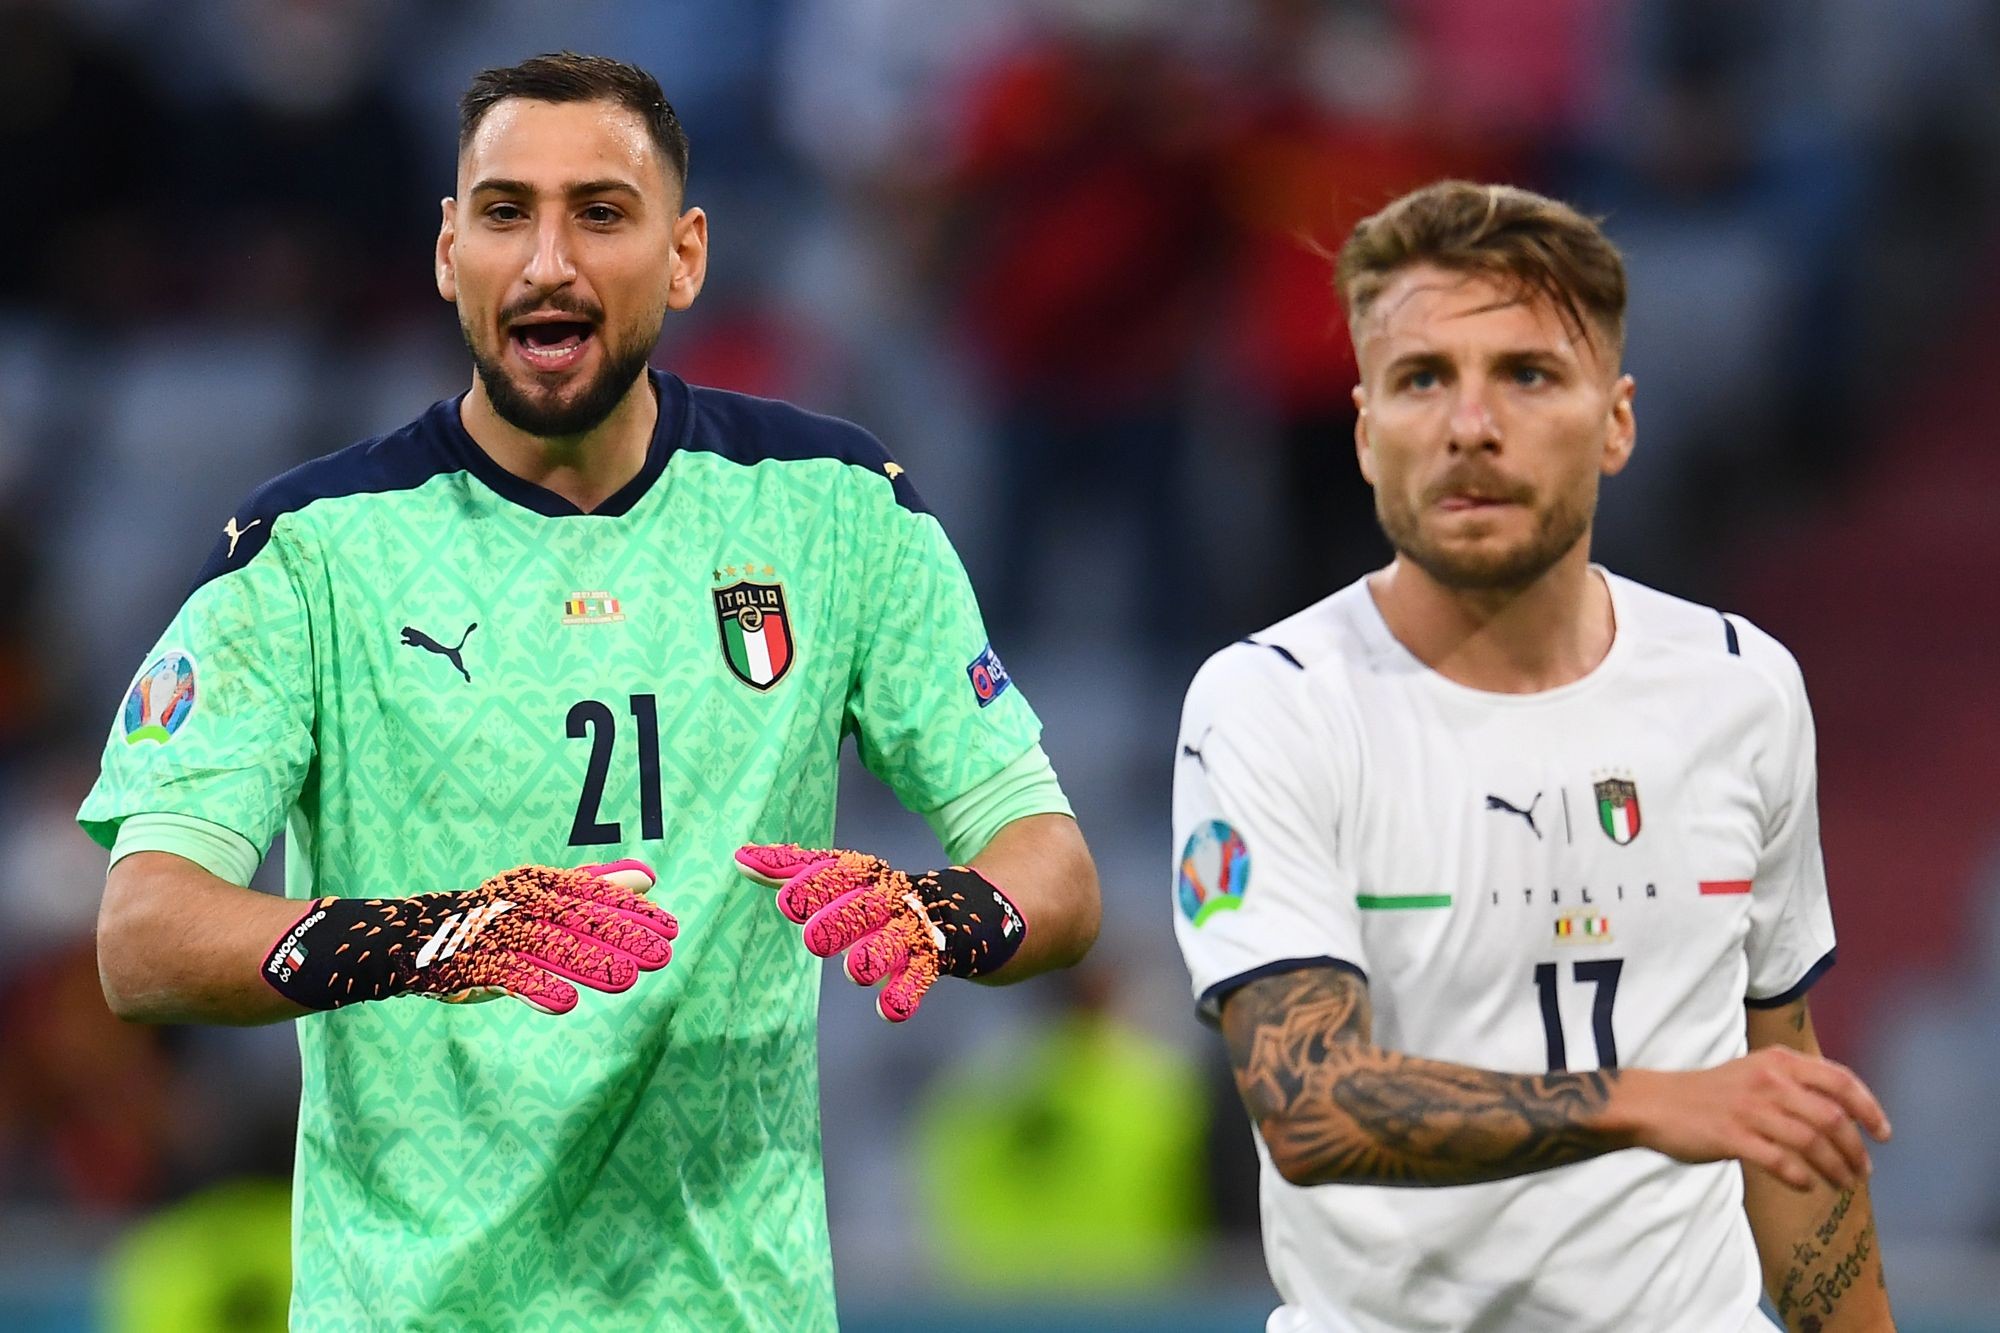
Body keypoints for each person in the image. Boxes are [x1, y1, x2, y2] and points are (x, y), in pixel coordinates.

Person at [81, 52, 1099, 1331]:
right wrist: (430, 938)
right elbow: (144, 935)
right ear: (448, 250)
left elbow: (1055, 870)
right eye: (505, 213)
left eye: (600, 214)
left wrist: (951, 914)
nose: (547, 261)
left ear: (683, 257)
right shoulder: (311, 550)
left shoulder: (834, 509)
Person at [1170, 180, 1893, 1333]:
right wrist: (1646, 1102)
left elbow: (1778, 1107)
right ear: (1362, 434)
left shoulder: (1740, 685)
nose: (1469, 424)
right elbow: (1306, 1105)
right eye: (1421, 379)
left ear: (1615, 422)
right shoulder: (1273, 701)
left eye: (1525, 374)